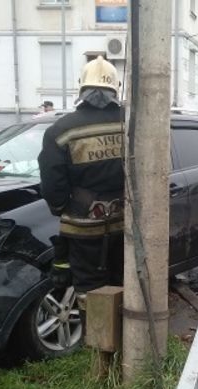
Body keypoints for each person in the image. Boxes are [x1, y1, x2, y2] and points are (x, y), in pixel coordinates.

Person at [37, 56, 124, 321]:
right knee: (123, 281)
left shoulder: (60, 130)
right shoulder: (131, 122)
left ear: (82, 89)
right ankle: (126, 343)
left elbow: (52, 182)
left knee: (89, 289)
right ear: (114, 88)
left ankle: (99, 347)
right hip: (126, 223)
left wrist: (62, 207)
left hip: (83, 227)